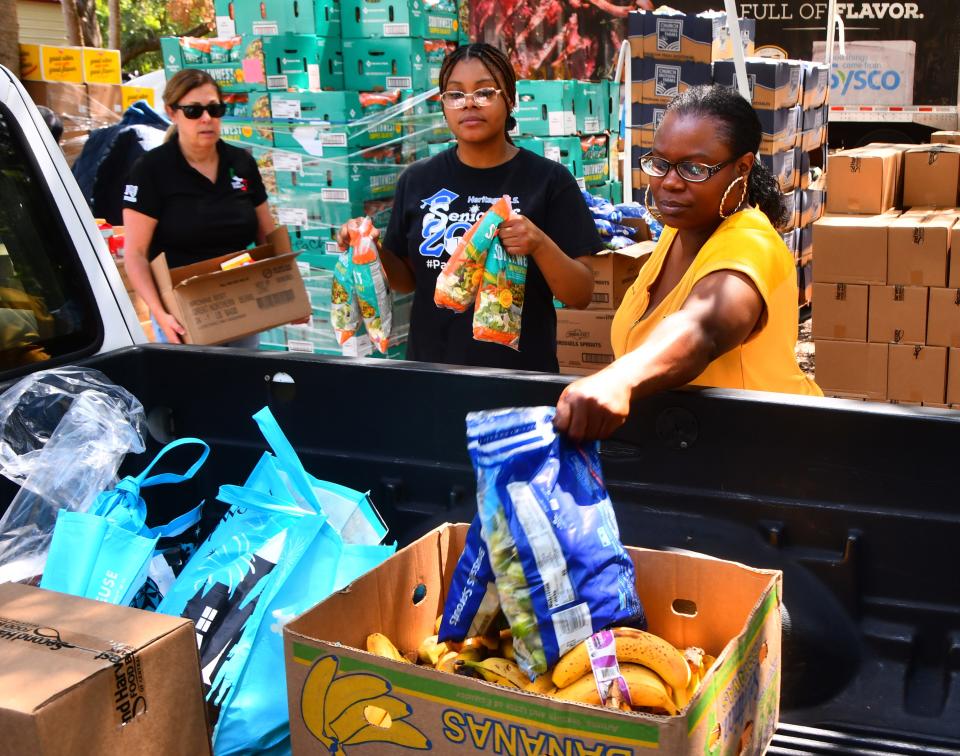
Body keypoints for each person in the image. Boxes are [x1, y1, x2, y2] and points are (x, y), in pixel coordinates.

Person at [555, 84, 821, 442]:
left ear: (741, 168)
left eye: (693, 169)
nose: (670, 183)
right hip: (691, 448)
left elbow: (701, 328)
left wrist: (618, 378)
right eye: (660, 163)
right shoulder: (677, 231)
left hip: (763, 454)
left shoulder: (750, 241)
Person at [338, 43, 600, 372]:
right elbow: (407, 281)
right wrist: (369, 247)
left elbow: (581, 293)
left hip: (518, 379)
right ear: (444, 104)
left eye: (485, 92)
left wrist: (538, 243)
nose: (469, 104)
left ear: (510, 99)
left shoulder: (549, 181)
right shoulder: (418, 179)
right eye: (455, 94)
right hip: (432, 373)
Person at [121, 69, 276, 347]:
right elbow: (135, 254)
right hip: (182, 313)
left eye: (214, 109)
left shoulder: (240, 163)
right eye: (193, 111)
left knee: (245, 387)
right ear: (172, 112)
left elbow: (268, 235)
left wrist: (285, 291)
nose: (206, 119)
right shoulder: (152, 170)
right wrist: (161, 315)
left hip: (242, 304)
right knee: (195, 388)